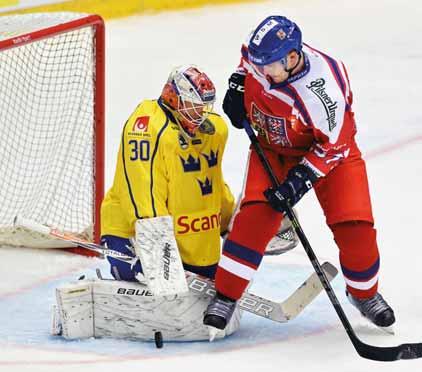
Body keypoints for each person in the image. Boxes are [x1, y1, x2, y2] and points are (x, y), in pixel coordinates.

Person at [203, 15, 395, 331]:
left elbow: (333, 147)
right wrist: (237, 85)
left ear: (292, 58)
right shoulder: (265, 57)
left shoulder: (323, 92)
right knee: (254, 219)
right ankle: (226, 295)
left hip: (331, 156)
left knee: (355, 229)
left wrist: (299, 181)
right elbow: (246, 59)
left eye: (268, 67)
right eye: (257, 65)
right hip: (273, 149)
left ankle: (365, 294)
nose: (261, 73)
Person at [100, 65, 235, 281]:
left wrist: (231, 224)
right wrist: (156, 251)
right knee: (152, 286)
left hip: (192, 240)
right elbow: (142, 191)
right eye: (193, 105)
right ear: (174, 98)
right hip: (134, 235)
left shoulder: (215, 129)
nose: (200, 112)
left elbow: (213, 181)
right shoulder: (146, 127)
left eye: (203, 106)